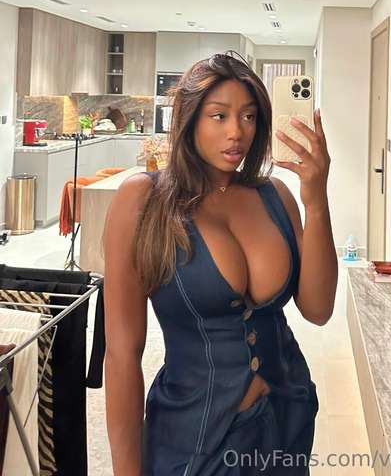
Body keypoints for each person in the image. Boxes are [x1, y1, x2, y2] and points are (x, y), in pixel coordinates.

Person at [103, 52, 338, 476]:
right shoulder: (144, 200)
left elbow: (319, 310)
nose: (236, 132)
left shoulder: (275, 196)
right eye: (219, 116)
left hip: (286, 422)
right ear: (189, 118)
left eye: (249, 116)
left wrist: (316, 200)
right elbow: (122, 354)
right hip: (193, 437)